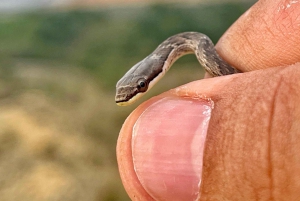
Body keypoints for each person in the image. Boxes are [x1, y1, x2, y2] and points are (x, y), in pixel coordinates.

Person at [117, 0, 300, 200]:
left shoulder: (197, 45)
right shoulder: (183, 47)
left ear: (160, 67)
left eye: (142, 85)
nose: (136, 92)